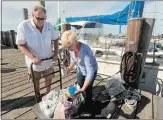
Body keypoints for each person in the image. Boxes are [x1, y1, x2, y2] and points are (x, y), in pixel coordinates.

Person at [16, 4, 59, 100]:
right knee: (36, 81)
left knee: (49, 78)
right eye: (39, 18)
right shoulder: (23, 26)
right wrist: (32, 57)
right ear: (32, 15)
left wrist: (56, 53)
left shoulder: (48, 25)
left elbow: (55, 39)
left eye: (44, 18)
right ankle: (38, 94)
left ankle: (48, 93)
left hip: (48, 60)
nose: (41, 21)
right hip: (34, 63)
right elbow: (20, 44)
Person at [61, 31, 98, 106]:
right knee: (78, 86)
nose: (68, 49)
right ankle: (80, 102)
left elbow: (90, 72)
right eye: (67, 47)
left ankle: (88, 104)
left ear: (75, 42)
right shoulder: (71, 49)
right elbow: (74, 60)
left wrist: (83, 89)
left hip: (91, 71)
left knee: (88, 89)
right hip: (81, 70)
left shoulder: (85, 50)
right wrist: (69, 68)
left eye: (70, 46)